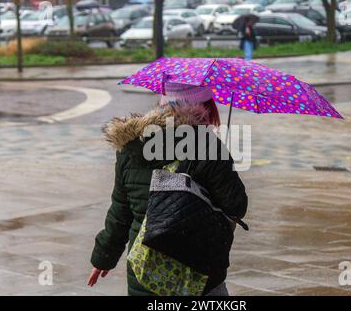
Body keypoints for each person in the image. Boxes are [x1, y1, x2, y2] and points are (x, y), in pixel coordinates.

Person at [87, 83, 248, 296]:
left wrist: (104, 257)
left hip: (145, 270)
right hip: (198, 270)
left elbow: (121, 210)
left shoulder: (131, 146)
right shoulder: (208, 146)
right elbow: (236, 206)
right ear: (204, 108)